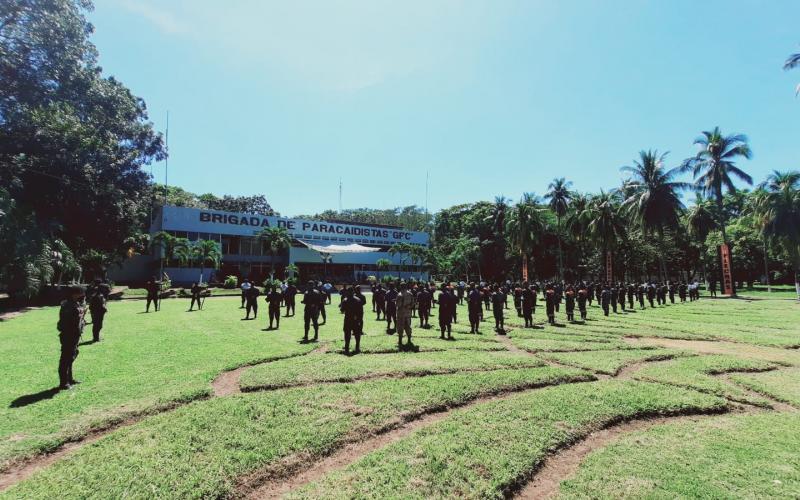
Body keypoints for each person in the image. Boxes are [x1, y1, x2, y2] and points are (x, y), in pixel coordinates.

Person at [57, 286, 85, 390]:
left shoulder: (75, 303)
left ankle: (70, 379)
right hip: (69, 335)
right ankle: (64, 383)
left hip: (74, 335)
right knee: (66, 358)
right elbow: (67, 322)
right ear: (74, 294)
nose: (82, 295)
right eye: (80, 293)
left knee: (71, 356)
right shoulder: (68, 305)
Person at [339, 285, 365, 353]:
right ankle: (357, 347)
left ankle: (347, 348)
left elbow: (342, 310)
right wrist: (359, 319)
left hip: (348, 319)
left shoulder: (345, 300)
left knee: (347, 334)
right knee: (357, 334)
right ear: (353, 292)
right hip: (355, 319)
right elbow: (361, 312)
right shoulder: (358, 300)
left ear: (347, 292)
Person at [395, 282, 415, 347]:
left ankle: (400, 341)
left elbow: (398, 304)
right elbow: (413, 303)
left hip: (401, 314)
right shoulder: (410, 294)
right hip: (408, 314)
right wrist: (408, 306)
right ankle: (409, 340)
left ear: (400, 287)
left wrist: (395, 302)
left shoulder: (399, 294)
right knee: (408, 326)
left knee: (400, 327)